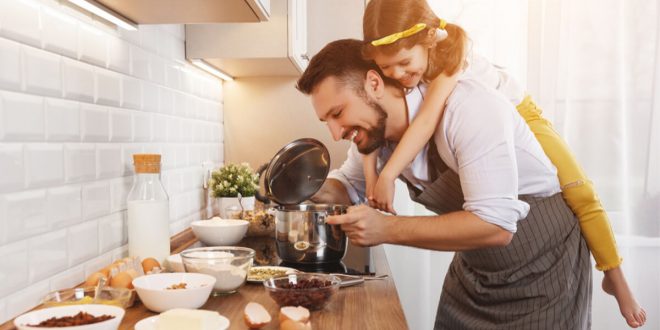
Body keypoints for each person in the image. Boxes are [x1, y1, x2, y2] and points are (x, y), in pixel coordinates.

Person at [359, 0, 646, 327]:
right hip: (486, 268)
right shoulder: (410, 69)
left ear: (428, 39)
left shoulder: (453, 51)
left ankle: (615, 275)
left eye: (403, 63)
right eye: (387, 69)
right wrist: (371, 176)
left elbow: (426, 121)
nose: (397, 75)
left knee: (579, 191)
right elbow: (370, 128)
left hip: (521, 114)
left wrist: (389, 175)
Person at [297, 38, 592, 329]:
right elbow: (348, 186)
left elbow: (495, 226)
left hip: (543, 271)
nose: (336, 133)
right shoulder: (375, 138)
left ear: (374, 84)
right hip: (476, 273)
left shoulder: (469, 108)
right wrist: (298, 186)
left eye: (337, 114)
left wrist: (385, 228)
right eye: (327, 121)